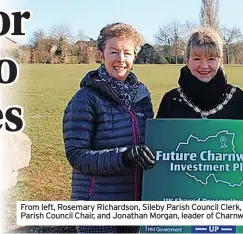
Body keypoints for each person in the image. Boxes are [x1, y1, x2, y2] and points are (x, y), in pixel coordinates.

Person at [62, 22, 155, 233]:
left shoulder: (142, 96)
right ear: (101, 54)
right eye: (113, 52)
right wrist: (124, 156)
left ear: (135, 57)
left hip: (134, 205)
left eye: (127, 53)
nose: (121, 59)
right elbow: (77, 155)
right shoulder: (85, 99)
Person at [156, 27, 243, 120]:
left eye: (211, 59)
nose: (204, 66)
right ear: (187, 61)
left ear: (219, 61)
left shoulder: (237, 99)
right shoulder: (171, 101)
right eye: (197, 59)